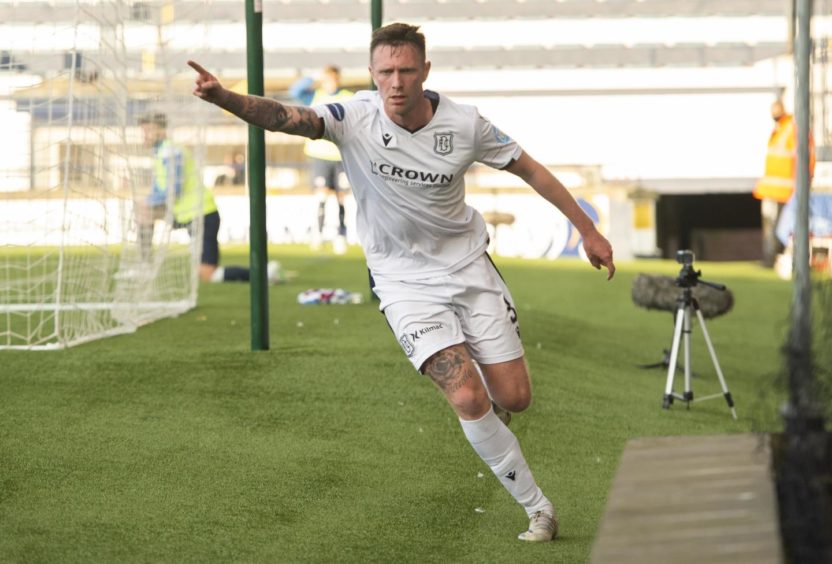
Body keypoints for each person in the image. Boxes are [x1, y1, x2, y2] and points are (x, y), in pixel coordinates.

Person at [188, 22, 615, 542]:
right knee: (467, 398)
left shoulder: (465, 124)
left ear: (425, 72)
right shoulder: (352, 117)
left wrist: (588, 229)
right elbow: (285, 117)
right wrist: (224, 97)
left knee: (516, 398)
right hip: (402, 281)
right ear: (371, 74)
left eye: (406, 70)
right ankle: (538, 508)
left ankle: (492, 408)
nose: (396, 82)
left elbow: (532, 171)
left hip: (469, 269)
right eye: (385, 71)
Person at [135, 113, 280, 284]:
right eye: (143, 131)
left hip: (202, 214)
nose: (144, 136)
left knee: (207, 274)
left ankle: (265, 273)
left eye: (148, 130)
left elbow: (174, 189)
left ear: (161, 130)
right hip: (185, 214)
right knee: (143, 211)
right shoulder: (161, 152)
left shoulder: (170, 152)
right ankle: (145, 266)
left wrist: (149, 201)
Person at [289, 65, 354, 254]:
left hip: (341, 155)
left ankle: (341, 234)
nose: (330, 82)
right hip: (320, 155)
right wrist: (311, 77)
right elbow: (295, 91)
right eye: (326, 79)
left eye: (332, 79)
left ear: (338, 79)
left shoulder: (347, 97)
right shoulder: (314, 96)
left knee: (342, 197)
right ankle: (318, 232)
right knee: (321, 195)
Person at [753, 99, 815, 267]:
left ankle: (780, 259)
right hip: (772, 189)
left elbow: (806, 156)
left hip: (786, 191)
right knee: (772, 227)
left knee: (783, 227)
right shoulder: (779, 130)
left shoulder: (792, 129)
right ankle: (771, 258)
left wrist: (804, 181)